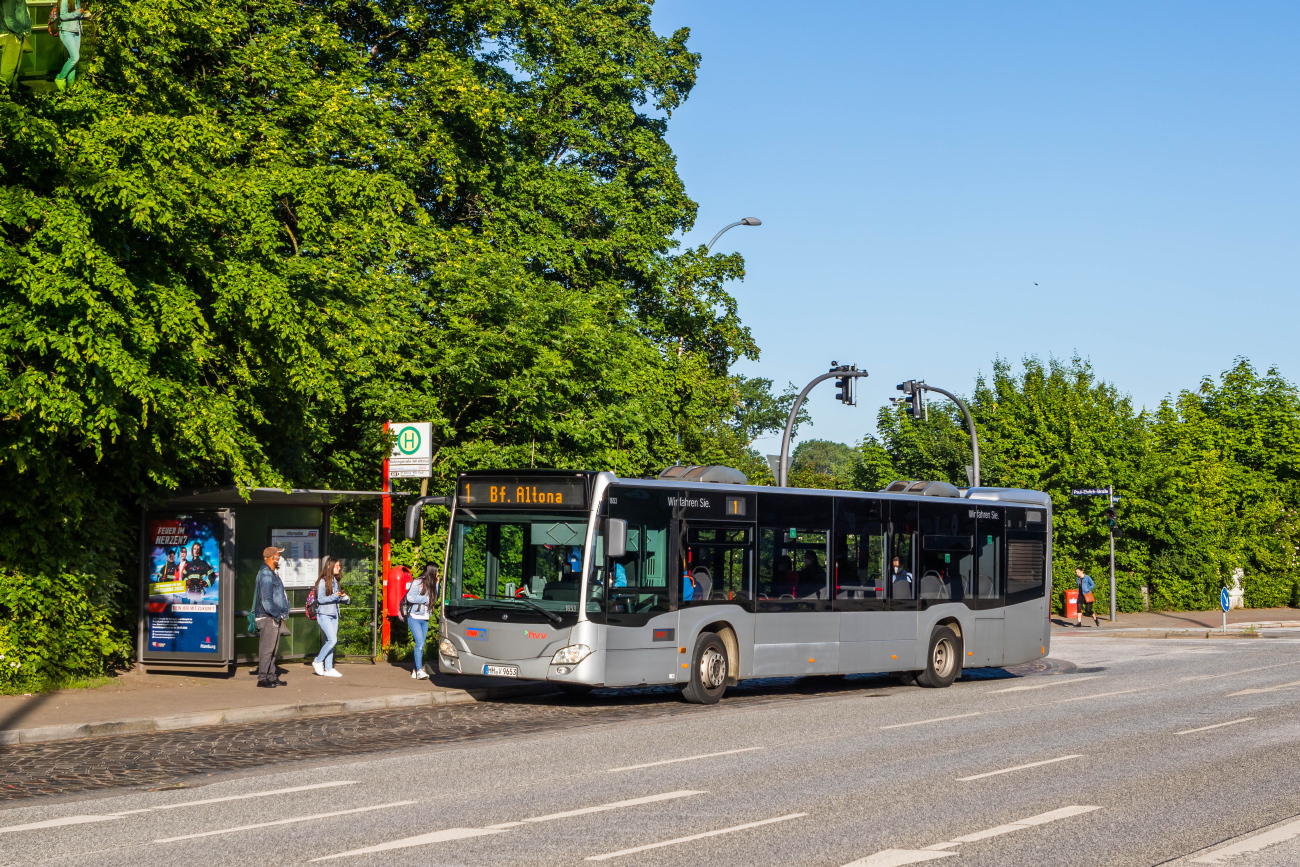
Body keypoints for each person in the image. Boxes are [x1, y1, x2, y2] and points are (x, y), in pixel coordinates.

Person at [253, 546, 290, 688]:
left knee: (273, 650)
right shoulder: (266, 574)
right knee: (267, 649)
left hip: (273, 617)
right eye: (277, 555)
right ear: (270, 557)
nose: (279, 557)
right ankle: (262, 679)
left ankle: (271, 677)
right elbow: (266, 601)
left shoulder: (272, 573)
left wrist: (280, 616)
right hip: (268, 617)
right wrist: (276, 615)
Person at [312, 557, 350, 677]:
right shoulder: (323, 581)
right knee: (332, 640)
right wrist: (335, 596)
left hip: (334, 614)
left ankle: (328, 668)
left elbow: (336, 599)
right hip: (324, 615)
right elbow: (321, 599)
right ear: (330, 566)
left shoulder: (334, 580)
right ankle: (318, 661)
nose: (339, 568)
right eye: (337, 566)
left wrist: (345, 598)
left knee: (331, 642)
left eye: (340, 566)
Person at [405, 565, 438, 679]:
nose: (438, 574)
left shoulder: (432, 584)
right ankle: (419, 670)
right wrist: (425, 599)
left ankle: (415, 669)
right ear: (431, 572)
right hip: (414, 616)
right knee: (419, 643)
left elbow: (435, 599)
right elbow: (410, 597)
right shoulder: (418, 582)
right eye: (437, 572)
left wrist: (437, 584)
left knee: (421, 645)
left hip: (425, 618)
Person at [53, 0, 89, 91]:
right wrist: (77, 12)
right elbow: (63, 16)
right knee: (75, 57)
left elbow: (77, 16)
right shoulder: (65, 0)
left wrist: (85, 15)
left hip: (77, 31)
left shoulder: (76, 0)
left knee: (73, 61)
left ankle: (70, 87)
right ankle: (60, 78)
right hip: (66, 31)